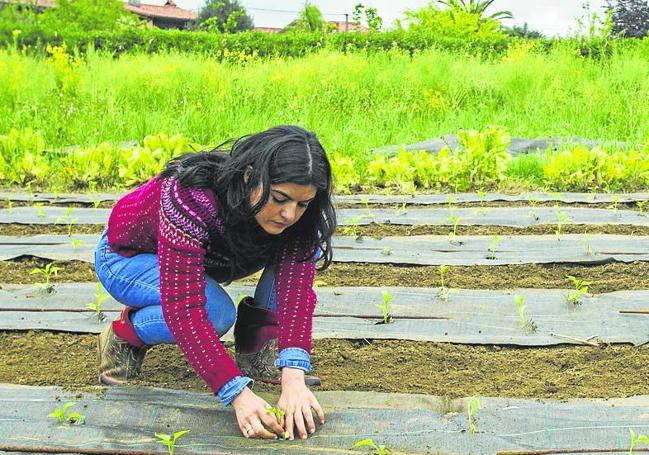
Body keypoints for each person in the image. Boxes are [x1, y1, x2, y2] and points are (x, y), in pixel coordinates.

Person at [93, 125, 336, 440]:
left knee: (303, 243)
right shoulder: (190, 197)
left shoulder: (294, 217)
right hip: (128, 258)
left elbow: (295, 291)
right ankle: (126, 334)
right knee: (215, 313)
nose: (289, 213)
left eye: (302, 204)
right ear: (250, 175)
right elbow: (185, 309)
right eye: (280, 198)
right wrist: (237, 393)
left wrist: (294, 377)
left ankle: (258, 347)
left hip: (205, 261)